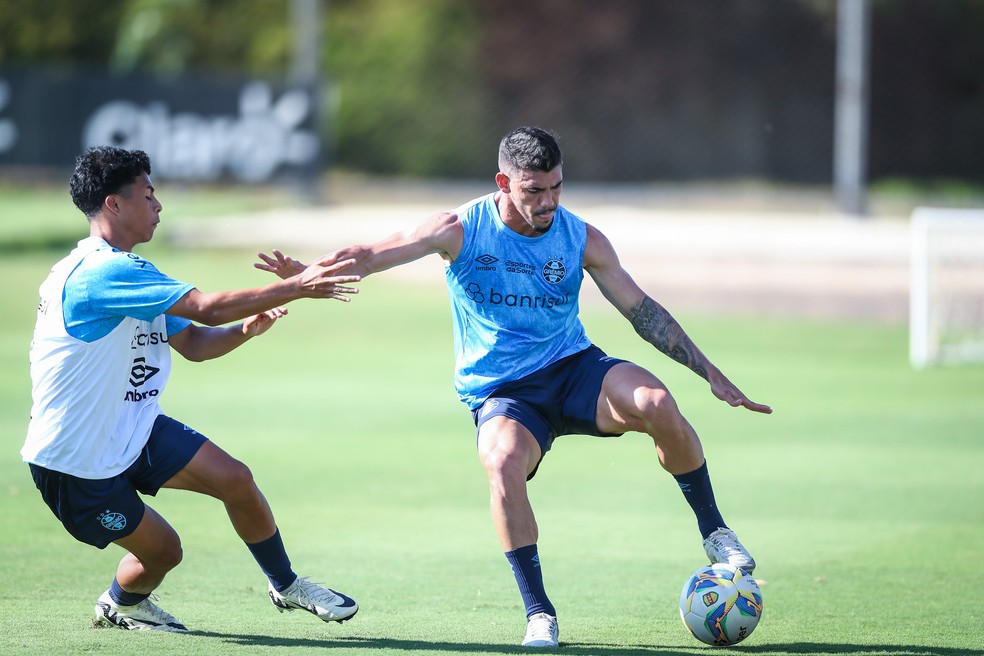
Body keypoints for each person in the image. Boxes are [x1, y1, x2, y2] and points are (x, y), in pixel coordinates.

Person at [257, 126, 772, 648]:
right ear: (503, 181)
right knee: (501, 463)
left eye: (556, 188)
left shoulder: (581, 237)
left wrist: (709, 372)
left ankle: (715, 533)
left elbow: (641, 310)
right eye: (534, 191)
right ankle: (540, 614)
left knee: (657, 401)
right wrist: (307, 276)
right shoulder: (458, 228)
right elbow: (370, 253)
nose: (548, 203)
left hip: (574, 368)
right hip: (505, 393)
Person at [22, 146, 363, 633]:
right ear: (114, 205)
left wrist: (245, 332)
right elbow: (206, 307)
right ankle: (123, 603)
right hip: (75, 459)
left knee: (235, 479)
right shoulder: (102, 273)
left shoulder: (131, 275)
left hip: (131, 427)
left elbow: (196, 343)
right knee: (165, 551)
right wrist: (299, 284)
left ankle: (286, 586)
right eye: (148, 194)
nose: (158, 206)